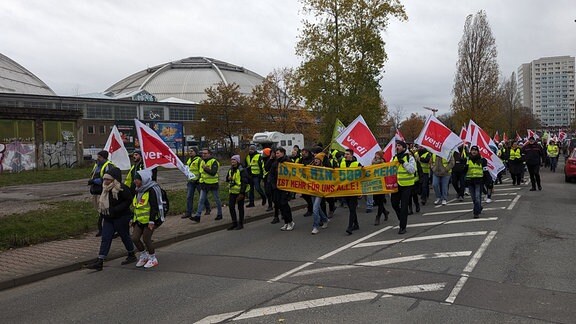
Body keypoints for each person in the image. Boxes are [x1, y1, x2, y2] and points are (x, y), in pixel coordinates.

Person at [85, 167, 136, 271]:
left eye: (108, 179)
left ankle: (131, 254)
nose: (106, 181)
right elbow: (96, 194)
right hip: (108, 218)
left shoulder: (121, 188)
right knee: (106, 238)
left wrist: (116, 209)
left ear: (114, 180)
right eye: (104, 179)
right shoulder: (104, 188)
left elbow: (128, 200)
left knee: (124, 236)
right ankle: (100, 261)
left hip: (121, 217)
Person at [131, 169, 165, 268]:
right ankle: (143, 255)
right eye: (134, 179)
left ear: (143, 179)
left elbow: (154, 207)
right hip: (139, 220)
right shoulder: (138, 190)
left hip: (150, 220)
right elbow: (136, 206)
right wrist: (133, 219)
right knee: (135, 238)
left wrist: (151, 221)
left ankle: (152, 258)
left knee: (146, 239)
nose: (135, 181)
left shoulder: (151, 190)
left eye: (137, 179)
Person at [190, 148, 223, 223]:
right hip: (204, 184)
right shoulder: (202, 161)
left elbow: (213, 172)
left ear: (210, 154)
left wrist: (206, 169)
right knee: (201, 200)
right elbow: (201, 172)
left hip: (213, 183)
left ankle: (220, 214)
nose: (203, 155)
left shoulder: (214, 162)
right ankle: (198, 216)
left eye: (205, 153)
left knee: (217, 199)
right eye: (203, 153)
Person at [390, 141, 416, 234]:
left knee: (404, 206)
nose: (397, 147)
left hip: (407, 185)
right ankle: (401, 218)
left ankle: (402, 227)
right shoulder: (394, 158)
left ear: (404, 148)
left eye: (399, 145)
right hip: (396, 185)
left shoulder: (410, 157)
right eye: (396, 145)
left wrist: (404, 163)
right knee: (394, 204)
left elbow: (412, 170)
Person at [88, 150, 114, 237]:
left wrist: (94, 181)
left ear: (104, 157)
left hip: (103, 192)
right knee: (99, 211)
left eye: (99, 157)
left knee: (103, 210)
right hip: (95, 191)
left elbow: (107, 179)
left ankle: (103, 229)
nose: (97, 158)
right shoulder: (97, 165)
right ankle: (102, 229)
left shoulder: (108, 166)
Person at [269, 147, 294, 231]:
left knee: (284, 204)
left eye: (278, 153)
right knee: (279, 204)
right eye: (276, 153)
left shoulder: (288, 162)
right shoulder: (275, 163)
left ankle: (290, 221)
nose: (276, 155)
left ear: (283, 153)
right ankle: (286, 223)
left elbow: (293, 174)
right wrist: (273, 185)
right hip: (277, 187)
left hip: (285, 187)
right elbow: (271, 175)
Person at [182, 147, 210, 219]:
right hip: (191, 181)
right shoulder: (189, 160)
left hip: (198, 182)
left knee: (202, 197)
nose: (190, 152)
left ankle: (208, 208)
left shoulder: (199, 160)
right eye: (189, 151)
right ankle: (188, 212)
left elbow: (201, 170)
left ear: (195, 152)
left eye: (192, 151)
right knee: (189, 197)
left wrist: (199, 179)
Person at [226, 155, 250, 230]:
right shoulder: (230, 169)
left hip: (240, 191)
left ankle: (241, 223)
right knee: (231, 206)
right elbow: (227, 179)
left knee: (240, 207)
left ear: (238, 161)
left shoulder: (242, 170)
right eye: (232, 160)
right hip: (232, 191)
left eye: (234, 160)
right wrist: (228, 178)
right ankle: (234, 223)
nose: (232, 161)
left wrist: (242, 193)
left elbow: (244, 182)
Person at [341, 149, 361, 235]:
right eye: (345, 154)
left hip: (354, 189)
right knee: (350, 208)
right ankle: (356, 224)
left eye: (347, 154)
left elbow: (362, 175)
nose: (346, 156)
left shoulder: (357, 164)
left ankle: (350, 227)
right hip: (345, 189)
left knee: (352, 208)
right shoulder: (342, 163)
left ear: (352, 155)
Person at [464, 146, 488, 218]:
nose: (474, 152)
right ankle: (479, 207)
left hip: (479, 181)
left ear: (478, 151)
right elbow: (463, 171)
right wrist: (465, 166)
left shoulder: (482, 160)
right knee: (474, 198)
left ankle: (476, 213)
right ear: (470, 151)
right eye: (472, 150)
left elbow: (485, 171)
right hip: (470, 181)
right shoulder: (467, 159)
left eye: (475, 150)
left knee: (477, 197)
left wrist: (489, 182)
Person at [310, 152, 329, 234]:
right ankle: (325, 220)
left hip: (320, 191)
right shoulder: (311, 168)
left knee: (315, 208)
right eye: (315, 159)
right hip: (312, 190)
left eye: (318, 159)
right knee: (318, 208)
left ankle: (315, 227)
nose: (316, 160)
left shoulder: (324, 169)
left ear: (321, 161)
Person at [372, 150, 390, 225]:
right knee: (376, 200)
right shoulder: (373, 162)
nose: (376, 156)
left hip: (382, 183)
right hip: (374, 183)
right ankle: (385, 212)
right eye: (376, 155)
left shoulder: (383, 163)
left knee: (380, 201)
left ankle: (378, 217)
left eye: (378, 155)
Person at [299, 148, 314, 217]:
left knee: (311, 196)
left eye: (304, 153)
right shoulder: (302, 159)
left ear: (307, 153)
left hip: (311, 180)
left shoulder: (313, 160)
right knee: (305, 195)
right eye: (302, 154)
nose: (303, 155)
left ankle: (311, 210)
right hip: (304, 180)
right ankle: (311, 207)